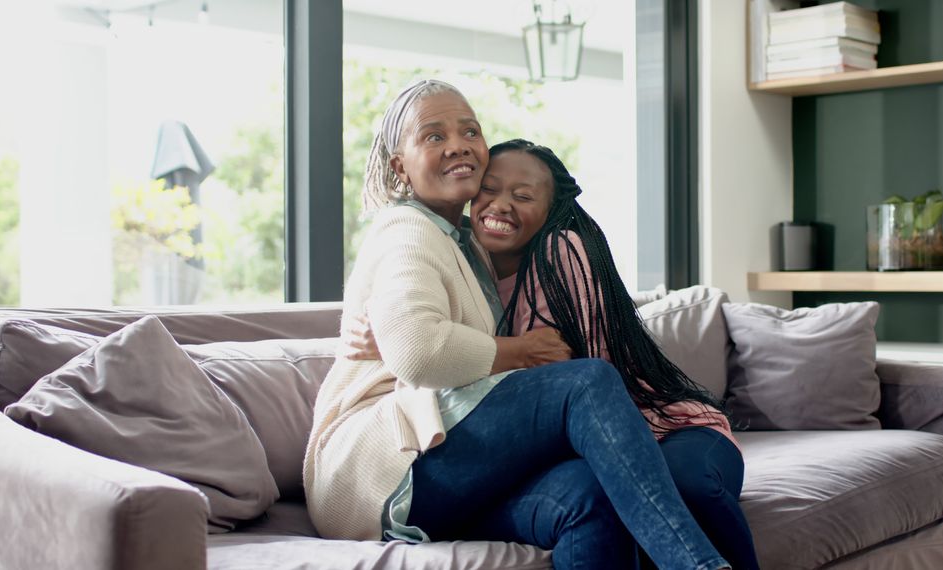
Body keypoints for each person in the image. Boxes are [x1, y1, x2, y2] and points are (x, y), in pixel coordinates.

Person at [306, 78, 731, 570]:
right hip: (375, 467)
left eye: (470, 131)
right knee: (585, 383)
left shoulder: (467, 243)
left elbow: (413, 334)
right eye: (434, 136)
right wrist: (523, 351)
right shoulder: (407, 229)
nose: (458, 145)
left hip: (433, 473)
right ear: (399, 166)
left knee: (587, 496)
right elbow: (419, 350)